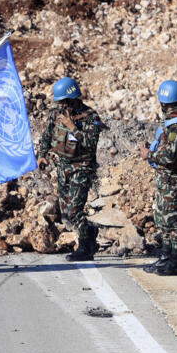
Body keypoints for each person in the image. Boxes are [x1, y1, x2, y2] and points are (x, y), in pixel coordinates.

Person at [37, 77, 104, 262]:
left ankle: (84, 248)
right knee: (66, 214)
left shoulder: (91, 117)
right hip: (63, 167)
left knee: (75, 210)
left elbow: (90, 143)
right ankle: (90, 232)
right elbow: (47, 135)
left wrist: (72, 127)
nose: (62, 105)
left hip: (82, 168)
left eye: (65, 102)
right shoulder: (56, 113)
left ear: (73, 99)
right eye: (60, 102)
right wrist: (42, 154)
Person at [140, 79, 177, 276]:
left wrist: (149, 154)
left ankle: (175, 262)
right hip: (167, 180)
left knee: (173, 222)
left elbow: (171, 156)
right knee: (163, 220)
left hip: (174, 181)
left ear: (165, 103)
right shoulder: (173, 124)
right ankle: (166, 257)